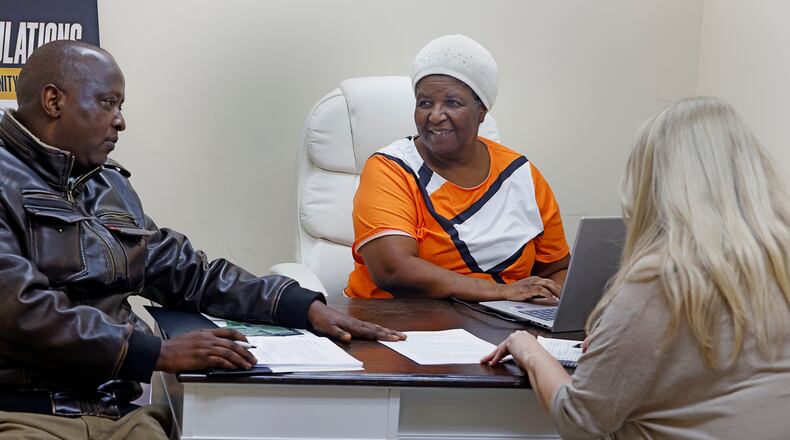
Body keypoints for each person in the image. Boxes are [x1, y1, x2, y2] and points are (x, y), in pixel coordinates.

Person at [0, 40, 404, 439]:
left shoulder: (106, 183)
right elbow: (19, 311)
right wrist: (156, 353)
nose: (120, 121)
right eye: (109, 103)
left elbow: (187, 273)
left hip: (118, 412)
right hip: (26, 411)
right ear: (54, 101)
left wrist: (302, 307)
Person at [483, 97, 790, 439]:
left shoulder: (660, 281)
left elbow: (578, 419)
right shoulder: (778, 263)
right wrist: (617, 341)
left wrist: (528, 349)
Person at [345, 34, 570, 302]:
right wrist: (502, 293)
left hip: (504, 320)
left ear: (481, 111)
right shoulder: (392, 169)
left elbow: (557, 268)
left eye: (452, 103)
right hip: (396, 319)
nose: (435, 115)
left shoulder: (520, 174)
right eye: (425, 103)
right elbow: (393, 270)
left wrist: (551, 304)